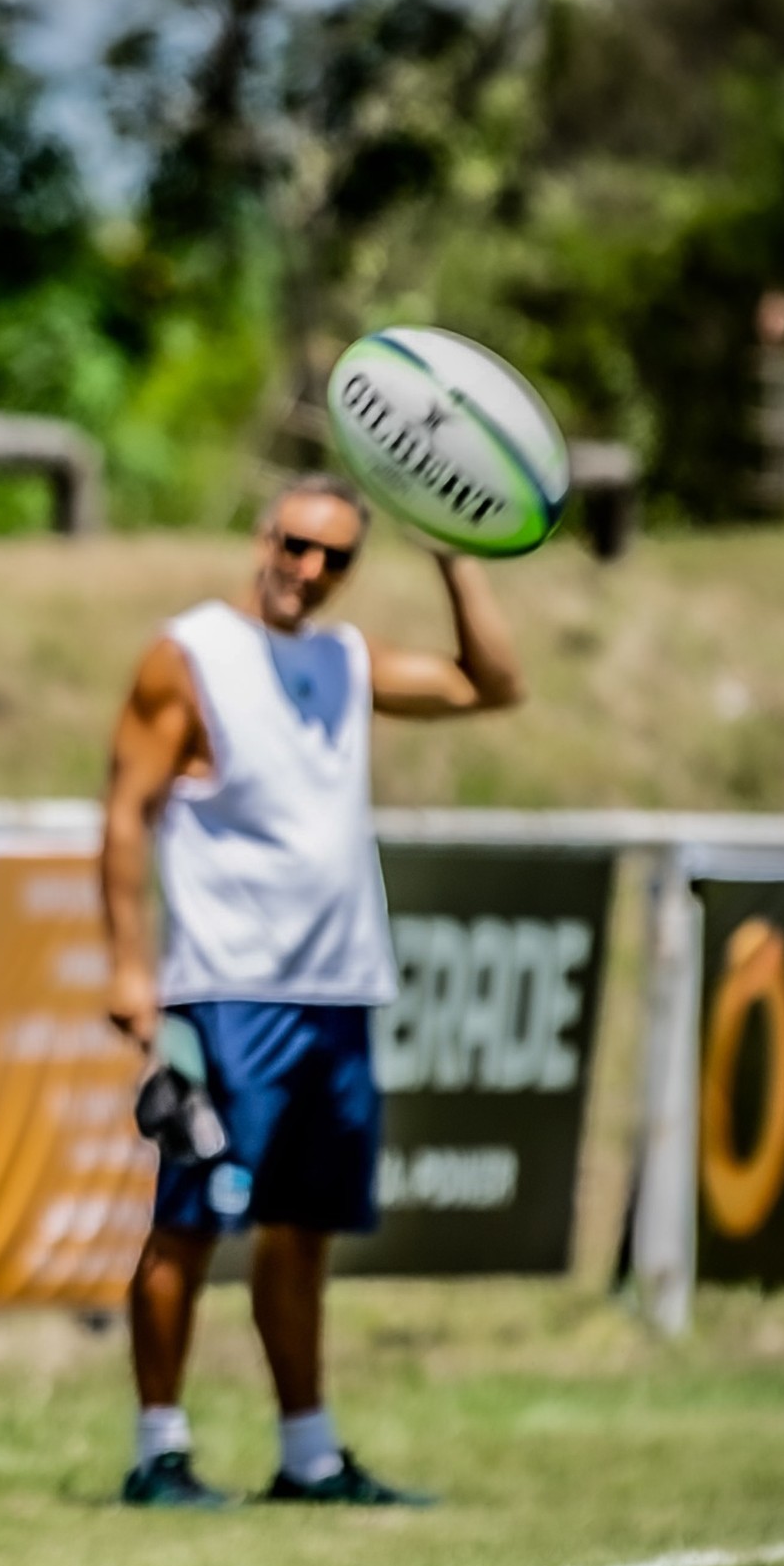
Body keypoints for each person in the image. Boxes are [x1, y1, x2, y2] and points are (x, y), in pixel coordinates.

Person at [101, 472, 524, 1509]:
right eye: (295, 544)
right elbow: (124, 813)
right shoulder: (189, 652)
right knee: (192, 1221)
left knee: (301, 1233)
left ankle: (308, 1456)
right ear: (262, 534)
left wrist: (453, 553)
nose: (308, 569)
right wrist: (127, 966)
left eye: (334, 555)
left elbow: (492, 683)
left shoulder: (345, 658)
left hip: (335, 991)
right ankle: (160, 1451)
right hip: (222, 991)